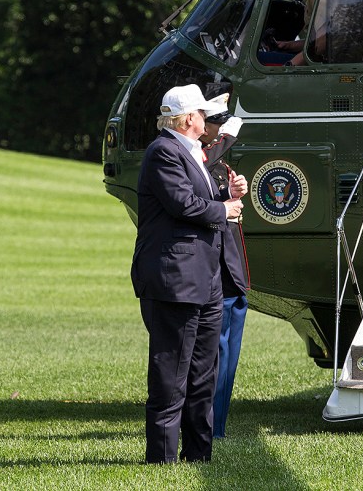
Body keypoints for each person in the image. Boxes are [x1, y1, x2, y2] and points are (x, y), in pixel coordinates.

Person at [131, 84, 248, 464]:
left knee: (203, 373)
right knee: (171, 373)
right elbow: (181, 203)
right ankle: (161, 459)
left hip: (206, 279)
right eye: (202, 113)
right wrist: (224, 210)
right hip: (175, 280)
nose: (207, 120)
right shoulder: (164, 151)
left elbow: (197, 200)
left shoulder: (191, 152)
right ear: (187, 120)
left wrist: (226, 194)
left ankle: (198, 455)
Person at [199, 95, 250, 439]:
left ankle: (218, 425)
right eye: (218, 124)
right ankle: (210, 428)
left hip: (232, 272)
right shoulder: (189, 158)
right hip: (212, 275)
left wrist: (234, 192)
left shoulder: (220, 165)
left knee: (228, 359)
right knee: (214, 355)